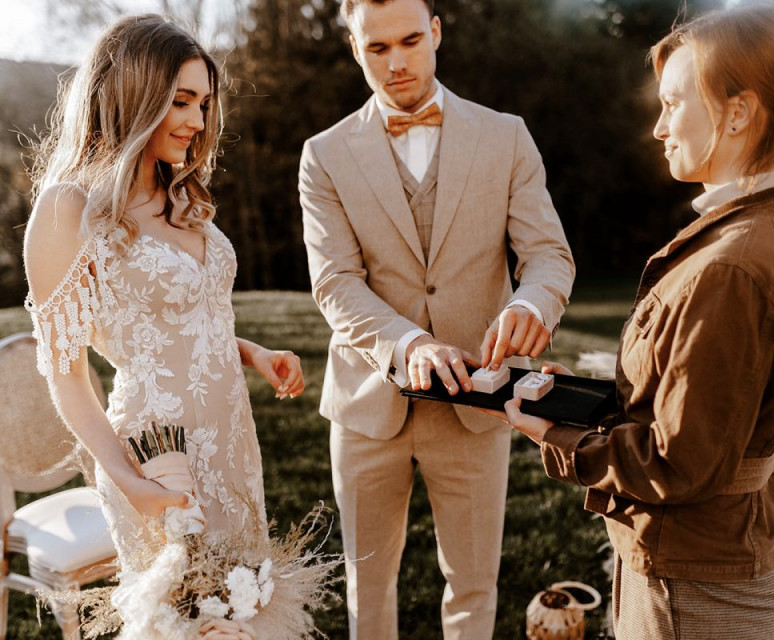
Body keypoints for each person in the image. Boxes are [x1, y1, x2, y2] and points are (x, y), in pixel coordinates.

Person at [495, 4, 774, 639]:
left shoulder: (732, 266)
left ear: (738, 111)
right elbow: (708, 408)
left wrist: (558, 435)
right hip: (723, 552)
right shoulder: (769, 224)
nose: (659, 127)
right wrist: (587, 405)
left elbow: (681, 461)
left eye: (673, 102)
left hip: (696, 578)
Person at [298, 0, 574, 637]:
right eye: (377, 48)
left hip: (477, 406)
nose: (396, 63)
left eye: (410, 41)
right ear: (353, 47)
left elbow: (547, 256)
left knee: (474, 584)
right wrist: (408, 343)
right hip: (369, 406)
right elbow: (335, 281)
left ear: (437, 33)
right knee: (367, 587)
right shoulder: (324, 154)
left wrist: (531, 305)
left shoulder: (505, 136)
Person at [23, 14, 304, 639]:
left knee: (245, 608)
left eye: (204, 103)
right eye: (181, 101)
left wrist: (252, 351)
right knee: (185, 621)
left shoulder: (180, 191)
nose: (198, 122)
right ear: (130, 93)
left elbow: (174, 319)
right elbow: (67, 375)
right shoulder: (69, 209)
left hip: (233, 440)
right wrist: (127, 479)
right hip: (159, 456)